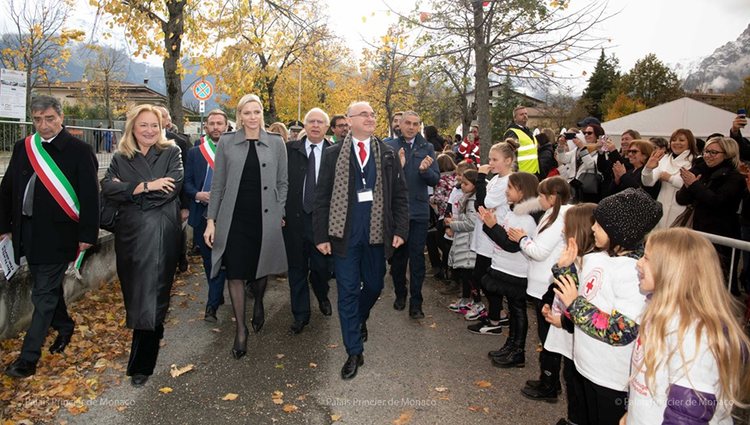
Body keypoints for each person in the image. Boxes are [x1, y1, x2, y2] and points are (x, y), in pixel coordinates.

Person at [1, 95, 99, 378]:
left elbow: (91, 197)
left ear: (61, 117)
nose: (43, 125)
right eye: (38, 119)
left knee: (42, 293)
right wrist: (3, 226)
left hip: (60, 234)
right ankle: (65, 326)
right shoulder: (24, 147)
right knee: (49, 287)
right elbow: (7, 189)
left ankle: (27, 359)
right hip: (27, 231)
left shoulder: (79, 150)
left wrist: (87, 235)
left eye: (49, 119)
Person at [313, 101, 408, 380]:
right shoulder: (332, 155)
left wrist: (400, 230)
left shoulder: (388, 155)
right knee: (347, 292)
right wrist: (321, 236)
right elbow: (321, 198)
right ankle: (353, 350)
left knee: (376, 284)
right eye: (364, 114)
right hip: (344, 236)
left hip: (377, 235)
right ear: (350, 120)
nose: (370, 118)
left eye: (372, 114)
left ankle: (358, 318)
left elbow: (400, 197)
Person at [554, 188, 662, 425]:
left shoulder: (633, 274)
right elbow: (582, 294)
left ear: (618, 231)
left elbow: (620, 330)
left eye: (600, 225)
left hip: (611, 379)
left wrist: (575, 306)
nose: (592, 228)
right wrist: (565, 269)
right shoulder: (597, 257)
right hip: (586, 365)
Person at [623, 228, 750, 424]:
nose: (638, 263)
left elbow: (688, 415)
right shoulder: (658, 309)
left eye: (646, 258)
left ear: (673, 270)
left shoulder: (695, 333)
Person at [101, 104, 183, 386]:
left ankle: (141, 366)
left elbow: (171, 188)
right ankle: (153, 330)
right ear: (133, 128)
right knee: (135, 292)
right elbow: (107, 188)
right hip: (129, 236)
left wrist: (127, 190)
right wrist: (145, 186)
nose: (149, 130)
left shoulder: (172, 152)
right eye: (143, 125)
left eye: (154, 125)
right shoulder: (121, 155)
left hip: (161, 232)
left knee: (153, 292)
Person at [204, 94, 288, 359]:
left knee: (261, 269)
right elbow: (217, 185)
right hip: (234, 220)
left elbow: (283, 182)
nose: (252, 117)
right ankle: (241, 330)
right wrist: (210, 221)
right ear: (239, 116)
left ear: (262, 114)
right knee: (236, 273)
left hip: (265, 218)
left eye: (257, 112)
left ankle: (259, 302)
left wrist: (279, 210)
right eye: (247, 113)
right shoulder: (227, 143)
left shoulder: (276, 143)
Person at [508, 176, 572, 400]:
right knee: (546, 337)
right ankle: (548, 379)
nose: (539, 199)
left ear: (553, 197)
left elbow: (539, 251)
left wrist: (522, 239)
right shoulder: (551, 214)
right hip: (539, 281)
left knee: (549, 339)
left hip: (547, 283)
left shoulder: (561, 217)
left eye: (543, 196)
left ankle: (550, 385)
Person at [475, 173, 539, 368]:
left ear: (522, 191)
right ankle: (510, 345)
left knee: (518, 310)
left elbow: (512, 245)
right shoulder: (514, 212)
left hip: (517, 271)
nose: (506, 191)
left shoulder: (526, 219)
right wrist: (491, 224)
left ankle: (518, 351)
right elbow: (503, 237)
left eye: (510, 188)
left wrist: (492, 225)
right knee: (513, 309)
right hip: (506, 267)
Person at [542, 203, 597, 425]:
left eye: (567, 227)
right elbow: (558, 288)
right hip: (565, 329)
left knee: (579, 383)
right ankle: (574, 418)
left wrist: (563, 321)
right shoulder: (575, 258)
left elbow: (589, 311)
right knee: (570, 379)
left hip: (577, 334)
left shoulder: (592, 266)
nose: (564, 231)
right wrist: (549, 304)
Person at [283, 108, 333, 334]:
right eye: (311, 121)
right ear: (304, 126)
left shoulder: (335, 153)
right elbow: (279, 183)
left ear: (326, 127)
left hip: (322, 223)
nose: (315, 125)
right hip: (294, 221)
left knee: (322, 269)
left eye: (319, 122)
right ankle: (300, 314)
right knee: (297, 269)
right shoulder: (289, 151)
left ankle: (322, 294)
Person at [387, 111, 440, 319]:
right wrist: (397, 168)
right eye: (407, 123)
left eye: (415, 124)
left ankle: (416, 303)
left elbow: (434, 179)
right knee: (398, 259)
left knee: (417, 258)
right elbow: (383, 181)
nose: (411, 127)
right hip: (397, 212)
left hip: (418, 212)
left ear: (419, 126)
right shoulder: (390, 146)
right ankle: (400, 293)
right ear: (399, 124)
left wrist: (425, 171)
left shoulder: (426, 147)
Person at [676, 136, 745, 293]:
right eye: (706, 151)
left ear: (728, 154)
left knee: (719, 279)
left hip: (723, 234)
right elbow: (681, 199)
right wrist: (689, 185)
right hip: (700, 231)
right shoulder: (702, 171)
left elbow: (717, 202)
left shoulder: (735, 177)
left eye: (713, 152)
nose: (707, 155)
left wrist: (694, 184)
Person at [184, 109, 228, 322]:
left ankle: (211, 306)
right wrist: (198, 194)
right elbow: (187, 182)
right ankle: (216, 294)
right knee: (209, 261)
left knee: (222, 258)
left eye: (220, 123)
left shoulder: (232, 151)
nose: (216, 127)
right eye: (212, 123)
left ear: (227, 127)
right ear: (206, 127)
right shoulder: (195, 153)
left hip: (227, 214)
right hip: (202, 212)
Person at [155, 106, 190, 273]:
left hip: (172, 202)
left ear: (168, 121)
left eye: (162, 116)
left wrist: (185, 205)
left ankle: (180, 256)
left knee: (175, 235)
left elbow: (186, 176)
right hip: (146, 205)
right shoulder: (134, 141)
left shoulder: (179, 143)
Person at [641, 129, 698, 228]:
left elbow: (694, 186)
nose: (677, 143)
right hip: (661, 207)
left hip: (682, 210)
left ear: (690, 142)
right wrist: (648, 168)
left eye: (681, 140)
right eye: (674, 140)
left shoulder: (696, 161)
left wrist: (670, 178)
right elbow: (648, 182)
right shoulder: (664, 159)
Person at [445, 169, 479, 314]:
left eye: (466, 183)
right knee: (465, 273)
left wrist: (453, 224)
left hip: (469, 243)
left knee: (468, 274)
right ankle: (466, 299)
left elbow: (471, 223)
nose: (462, 186)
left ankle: (470, 300)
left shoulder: (472, 201)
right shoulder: (467, 198)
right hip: (465, 241)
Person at [427, 154, 457, 281]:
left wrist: (430, 199)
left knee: (441, 243)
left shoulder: (440, 180)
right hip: (457, 214)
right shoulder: (457, 177)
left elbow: (439, 199)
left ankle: (444, 270)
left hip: (444, 216)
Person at [504, 106, 540, 176]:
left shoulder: (528, 132)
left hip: (534, 172)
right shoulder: (512, 132)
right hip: (521, 174)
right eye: (521, 114)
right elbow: (510, 155)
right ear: (515, 118)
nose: (525, 116)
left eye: (526, 114)